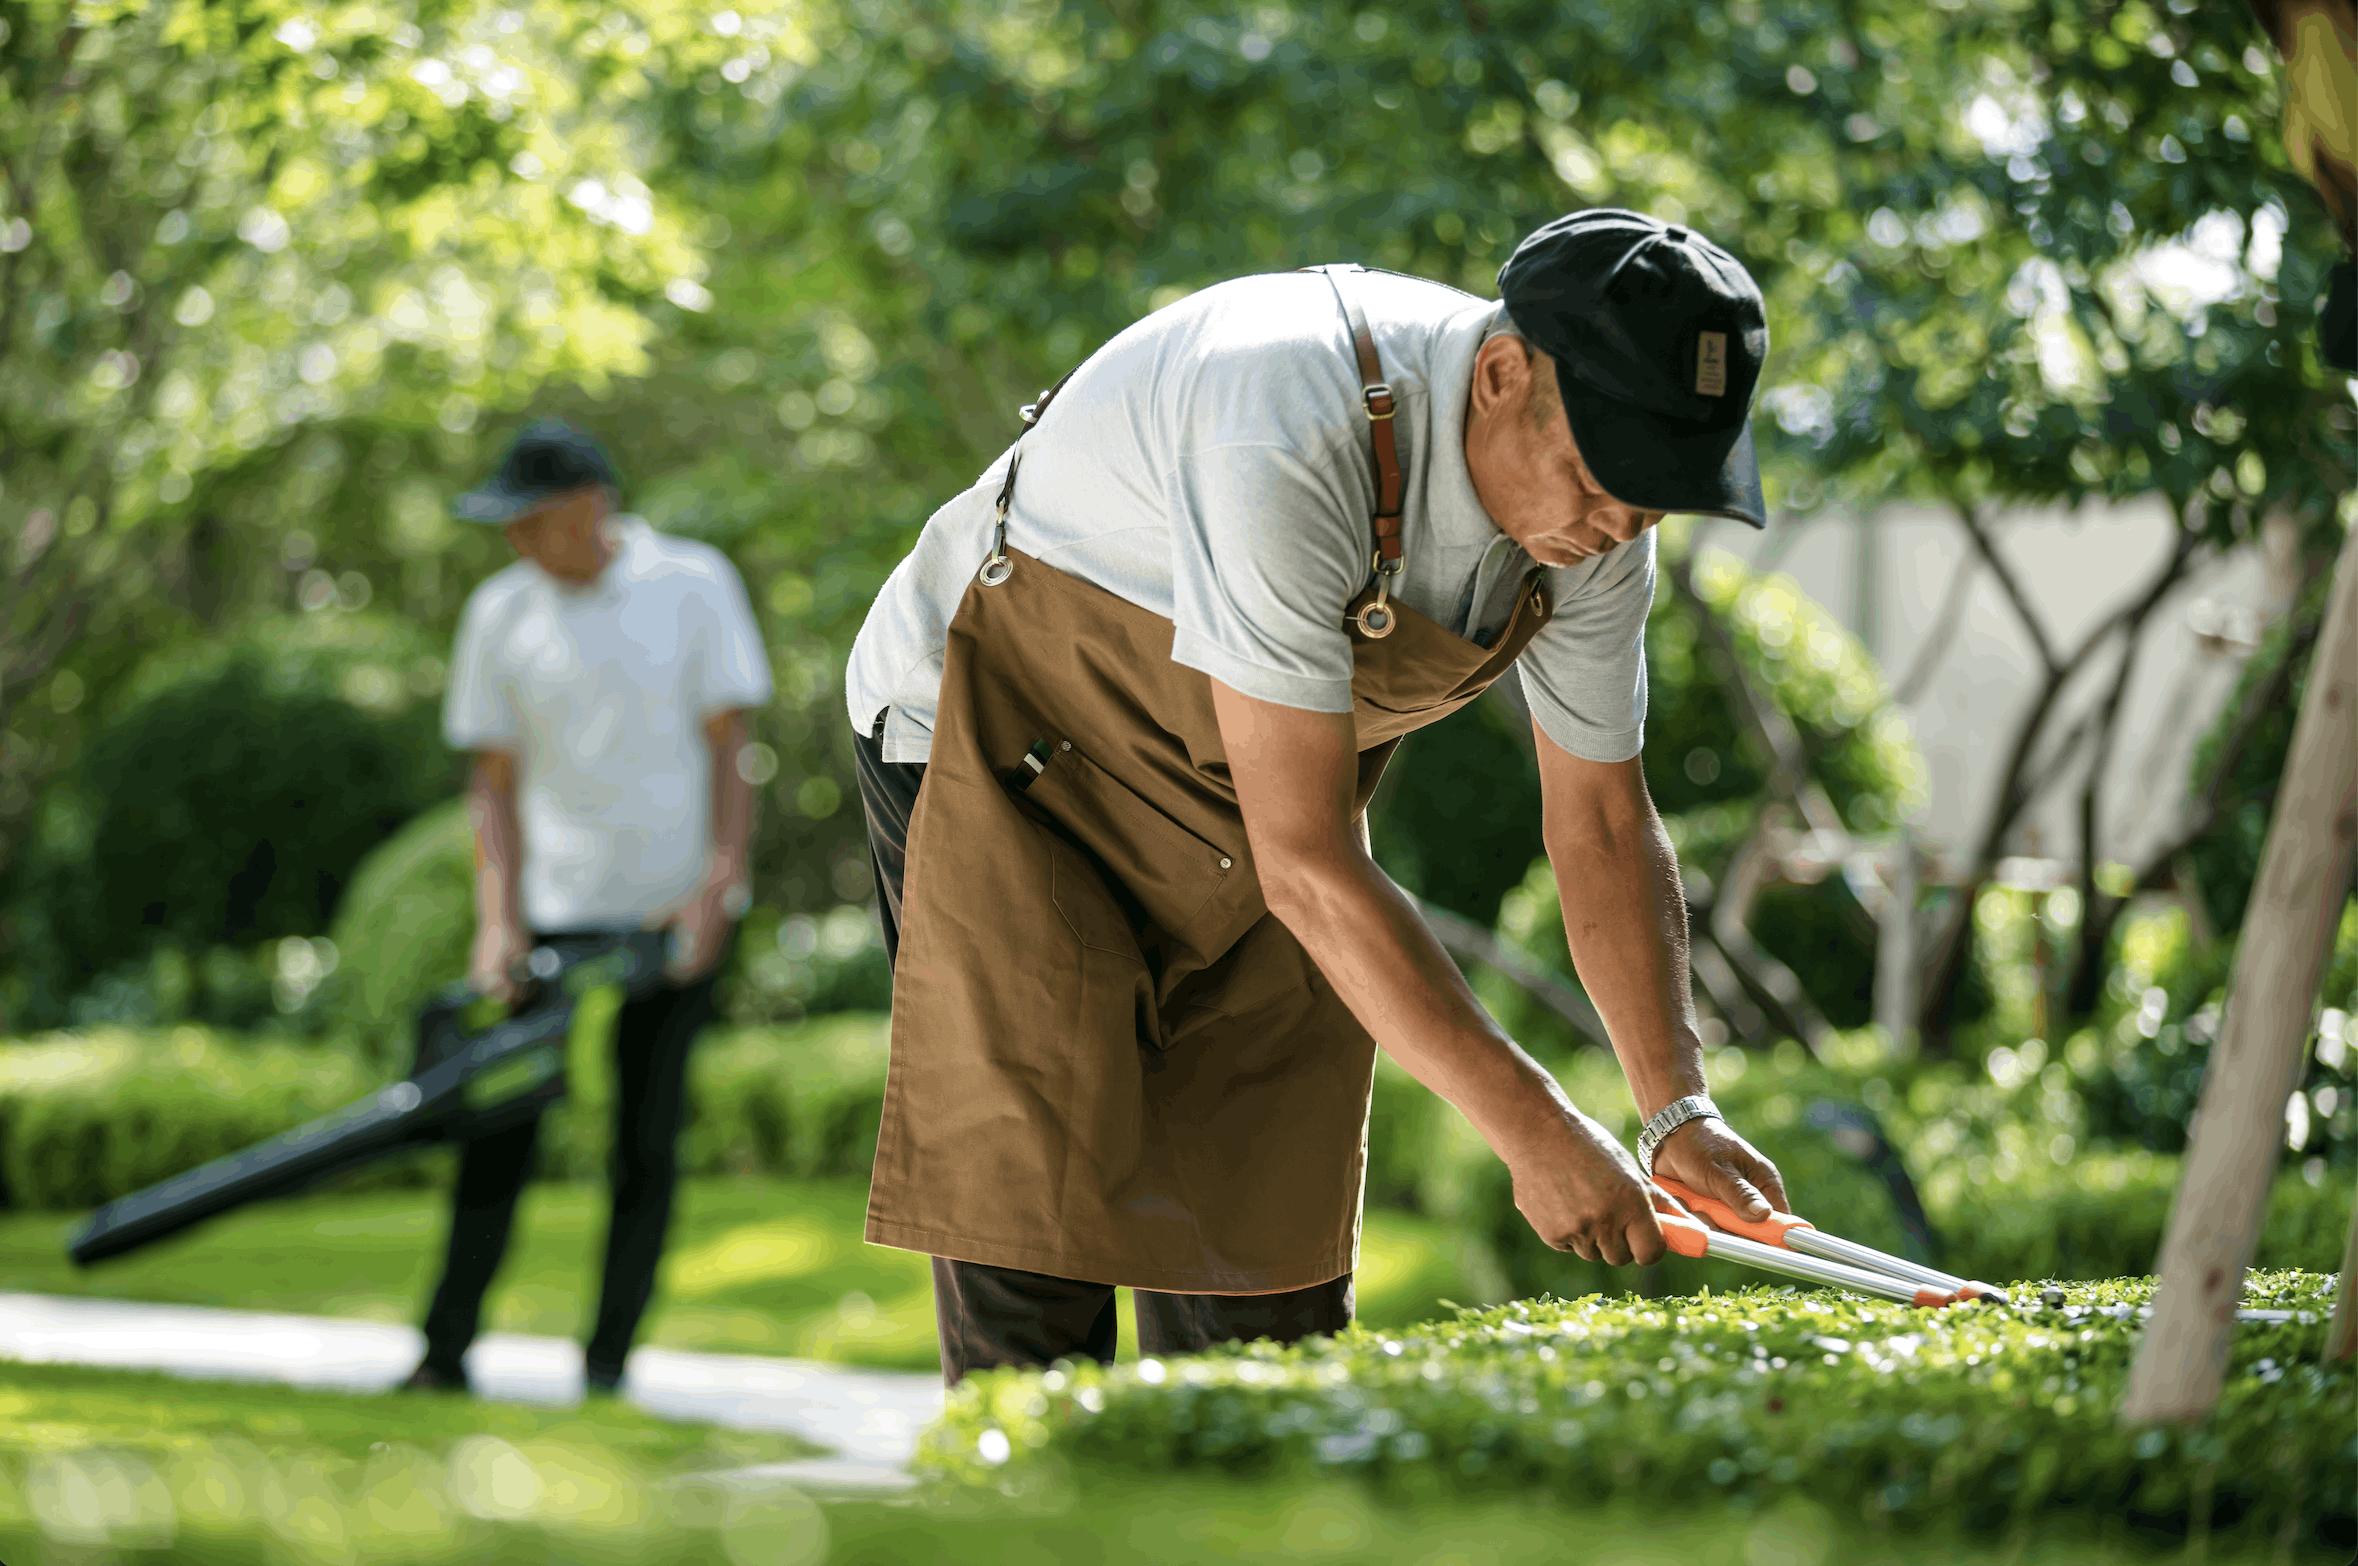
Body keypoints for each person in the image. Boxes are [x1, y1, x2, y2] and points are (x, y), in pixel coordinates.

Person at [845, 208, 1794, 1386]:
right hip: (1008, 767)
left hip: (1254, 819)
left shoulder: (1600, 531)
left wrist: (1674, 1112)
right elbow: (1306, 859)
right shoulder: (1284, 418)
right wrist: (1534, 1129)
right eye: (1612, 477)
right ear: (1502, 377)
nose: (1626, 524)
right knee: (1036, 1250)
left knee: (1264, 1280)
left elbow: (1599, 818)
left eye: (1663, 492)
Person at [402, 418, 772, 1395]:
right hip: (549, 914)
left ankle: (607, 1366)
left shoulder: (692, 585)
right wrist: (498, 921)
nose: (516, 538)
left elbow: (732, 748)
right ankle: (444, 1354)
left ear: (590, 504)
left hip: (668, 911)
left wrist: (717, 888)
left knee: (644, 1145)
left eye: (531, 518)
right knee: (499, 1132)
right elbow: (493, 780)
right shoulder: (500, 612)